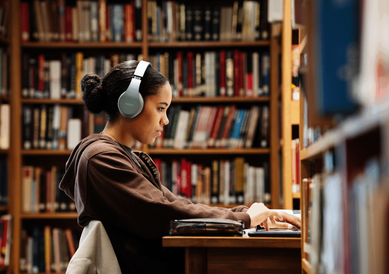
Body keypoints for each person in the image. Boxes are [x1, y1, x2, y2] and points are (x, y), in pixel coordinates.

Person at [59, 60, 301, 274]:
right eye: (161, 108)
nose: (165, 120)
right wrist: (245, 219)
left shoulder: (125, 156)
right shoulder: (100, 158)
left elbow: (177, 206)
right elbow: (166, 215)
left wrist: (245, 213)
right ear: (130, 104)